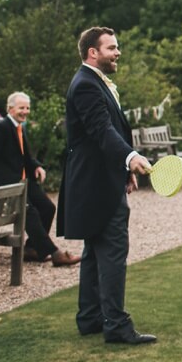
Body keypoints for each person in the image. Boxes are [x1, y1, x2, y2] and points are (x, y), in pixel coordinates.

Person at [57, 27, 156, 345]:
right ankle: (116, 324)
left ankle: (90, 317)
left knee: (95, 252)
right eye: (112, 48)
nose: (118, 52)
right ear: (92, 53)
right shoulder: (86, 85)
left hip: (96, 181)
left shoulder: (90, 82)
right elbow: (102, 131)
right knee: (113, 251)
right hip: (96, 184)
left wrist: (123, 168)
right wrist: (130, 157)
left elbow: (104, 134)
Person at [0, 91, 79, 266]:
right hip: (7, 186)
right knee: (30, 212)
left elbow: (25, 156)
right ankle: (55, 254)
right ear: (10, 109)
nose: (25, 111)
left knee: (48, 207)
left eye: (27, 108)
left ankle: (32, 249)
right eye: (21, 108)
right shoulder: (1, 128)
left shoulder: (19, 127)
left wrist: (37, 166)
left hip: (24, 182)